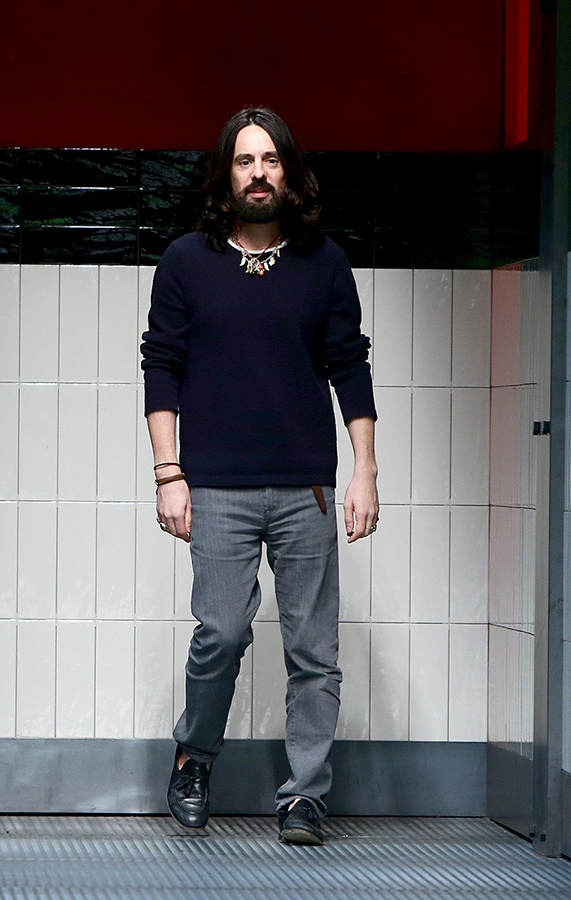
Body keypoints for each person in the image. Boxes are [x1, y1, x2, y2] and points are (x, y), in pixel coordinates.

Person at [140, 106, 379, 846]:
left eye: (270, 160)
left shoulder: (325, 262)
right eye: (245, 161)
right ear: (226, 174)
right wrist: (167, 472)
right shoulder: (186, 261)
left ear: (288, 172)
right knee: (221, 630)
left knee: (314, 650)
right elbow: (161, 364)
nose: (257, 173)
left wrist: (364, 470)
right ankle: (194, 757)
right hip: (213, 485)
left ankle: (303, 797)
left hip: (305, 485)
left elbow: (351, 365)